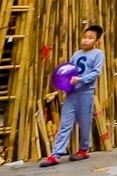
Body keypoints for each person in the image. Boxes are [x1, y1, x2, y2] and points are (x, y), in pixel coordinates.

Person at [41, 24, 104, 167]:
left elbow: (96, 72)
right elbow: (69, 71)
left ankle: (83, 149)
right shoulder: (76, 54)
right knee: (65, 123)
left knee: (85, 122)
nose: (86, 40)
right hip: (72, 93)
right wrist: (65, 84)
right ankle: (55, 154)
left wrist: (81, 80)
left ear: (96, 41)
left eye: (90, 38)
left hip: (86, 93)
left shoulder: (98, 54)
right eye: (84, 37)